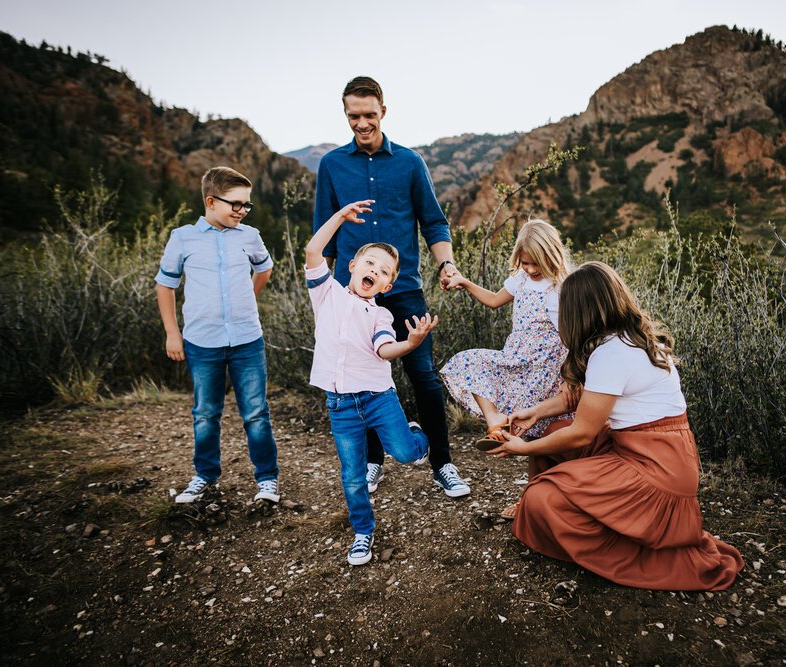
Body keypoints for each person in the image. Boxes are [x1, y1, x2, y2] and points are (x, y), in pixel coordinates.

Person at [490, 262, 744, 590]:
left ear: (579, 311)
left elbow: (582, 431)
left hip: (654, 469)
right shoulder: (626, 338)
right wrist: (536, 413)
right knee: (553, 433)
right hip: (657, 452)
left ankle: (631, 549)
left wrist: (523, 448)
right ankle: (578, 513)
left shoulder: (613, 353)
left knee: (542, 499)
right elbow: (578, 399)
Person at [313, 75, 470, 498]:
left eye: (368, 115)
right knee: (357, 380)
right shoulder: (331, 165)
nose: (361, 123)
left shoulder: (410, 162)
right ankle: (371, 463)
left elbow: (434, 221)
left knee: (423, 376)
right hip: (352, 295)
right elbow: (322, 234)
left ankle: (443, 463)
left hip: (405, 289)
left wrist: (448, 264)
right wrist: (323, 298)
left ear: (383, 110)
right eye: (353, 116)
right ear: (345, 114)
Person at [305, 199, 436, 565]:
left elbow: (383, 349)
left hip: (378, 398)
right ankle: (363, 531)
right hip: (340, 404)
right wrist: (340, 217)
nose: (374, 271)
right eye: (369, 263)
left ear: (388, 283)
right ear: (351, 266)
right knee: (352, 474)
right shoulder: (326, 293)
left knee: (407, 454)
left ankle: (415, 437)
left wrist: (410, 344)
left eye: (383, 271)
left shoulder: (380, 313)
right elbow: (313, 250)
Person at [156, 166, 280, 505]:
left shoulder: (249, 236)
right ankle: (205, 476)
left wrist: (246, 297)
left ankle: (267, 480)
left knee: (255, 411)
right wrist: (172, 334)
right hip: (201, 342)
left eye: (246, 205)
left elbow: (264, 268)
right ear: (211, 201)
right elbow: (165, 285)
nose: (242, 211)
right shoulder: (183, 238)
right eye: (235, 204)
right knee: (206, 413)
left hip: (246, 340)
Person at [440, 219, 572, 453]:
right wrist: (464, 282)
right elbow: (493, 300)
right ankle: (495, 420)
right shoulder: (521, 279)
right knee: (468, 362)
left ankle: (529, 443)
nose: (530, 269)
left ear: (552, 257)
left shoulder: (559, 289)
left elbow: (570, 337)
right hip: (516, 358)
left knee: (549, 427)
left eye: (536, 264)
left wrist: (569, 376)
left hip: (545, 367)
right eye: (525, 263)